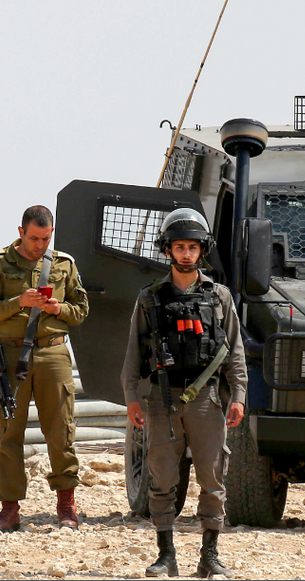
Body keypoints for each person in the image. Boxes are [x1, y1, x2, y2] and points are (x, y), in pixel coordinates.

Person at [121, 208, 247, 579]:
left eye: (193, 247)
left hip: (207, 399)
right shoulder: (150, 299)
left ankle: (210, 555)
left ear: (202, 250)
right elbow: (133, 354)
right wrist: (131, 395)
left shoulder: (219, 297)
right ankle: (166, 555)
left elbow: (235, 351)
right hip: (162, 399)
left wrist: (238, 393)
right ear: (168, 250)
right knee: (162, 479)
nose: (187, 254)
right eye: (179, 247)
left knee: (212, 477)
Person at [0, 205, 89, 533]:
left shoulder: (63, 265)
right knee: (9, 432)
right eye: (33, 238)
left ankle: (66, 505)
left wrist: (59, 308)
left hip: (54, 355)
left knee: (61, 430)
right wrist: (19, 302)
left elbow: (81, 309)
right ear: (20, 232)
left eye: (45, 238)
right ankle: (10, 508)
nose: (39, 245)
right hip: (12, 357)